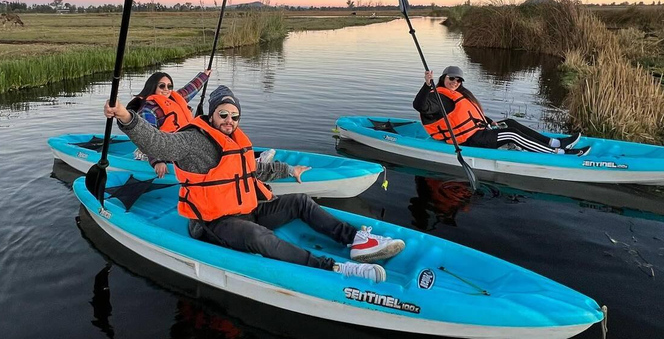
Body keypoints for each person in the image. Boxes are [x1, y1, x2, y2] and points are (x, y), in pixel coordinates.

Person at [105, 85, 405, 283]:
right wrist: (125, 116)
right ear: (212, 113)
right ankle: (332, 267)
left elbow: (254, 171)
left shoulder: (235, 139)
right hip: (212, 224)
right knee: (258, 236)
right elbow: (159, 143)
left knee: (299, 201)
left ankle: (355, 240)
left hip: (244, 209)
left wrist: (290, 168)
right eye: (223, 114)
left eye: (235, 115)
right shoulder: (193, 141)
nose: (229, 120)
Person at [413, 66, 590, 156]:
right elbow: (419, 105)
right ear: (443, 78)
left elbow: (470, 114)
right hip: (471, 140)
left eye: (458, 80)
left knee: (510, 122)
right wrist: (427, 84)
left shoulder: (458, 95)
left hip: (480, 130)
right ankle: (558, 154)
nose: (455, 82)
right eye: (451, 78)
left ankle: (555, 143)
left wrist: (488, 121)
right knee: (511, 134)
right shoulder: (438, 98)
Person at [126, 69, 211, 178]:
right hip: (157, 151)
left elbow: (190, 89)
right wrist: (157, 161)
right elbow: (148, 137)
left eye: (169, 86)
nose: (166, 89)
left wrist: (204, 75)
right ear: (153, 87)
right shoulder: (148, 110)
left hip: (178, 146)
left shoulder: (175, 99)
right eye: (162, 86)